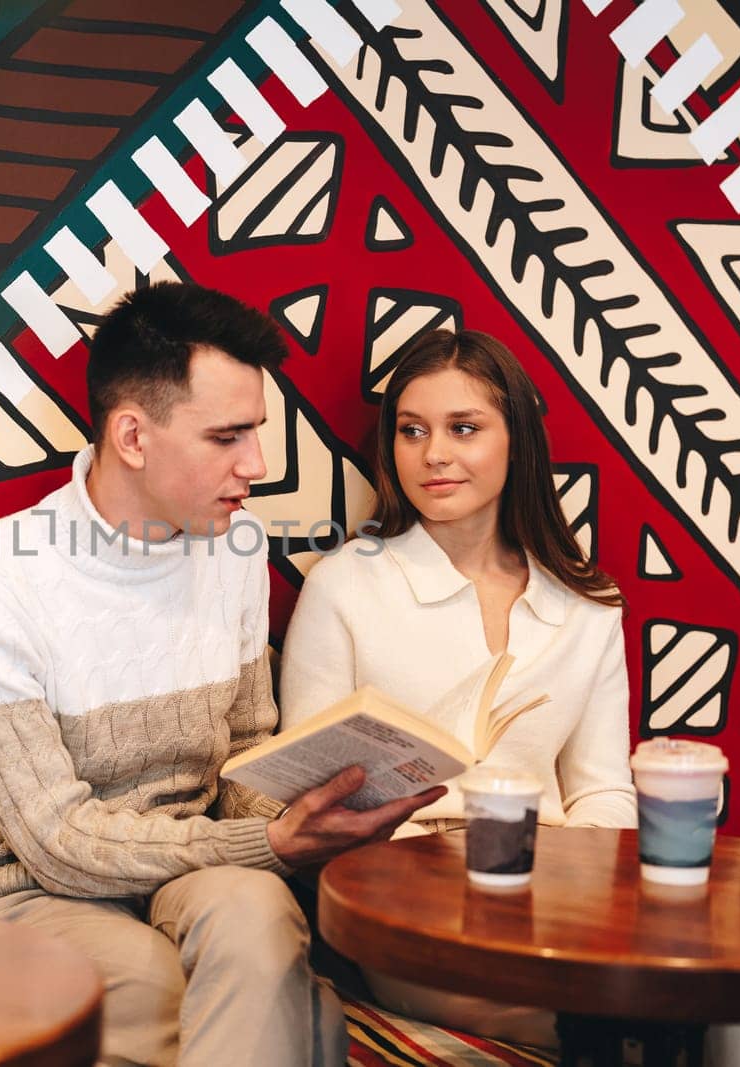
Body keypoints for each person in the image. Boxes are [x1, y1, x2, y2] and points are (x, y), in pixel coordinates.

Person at [0, 281, 446, 1067]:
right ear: (133, 434)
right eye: (227, 436)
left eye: (256, 432)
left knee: (259, 917)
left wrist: (320, 814)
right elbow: (56, 842)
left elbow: (244, 755)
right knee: (161, 981)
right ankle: (311, 1028)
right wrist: (267, 840)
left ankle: (305, 1023)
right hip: (21, 889)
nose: (257, 465)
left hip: (188, 864)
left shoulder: (233, 550)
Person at [279, 327, 637, 1046]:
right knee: (631, 1029)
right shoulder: (345, 586)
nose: (433, 453)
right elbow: (306, 792)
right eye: (411, 431)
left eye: (463, 428)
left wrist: (566, 884)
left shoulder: (588, 605)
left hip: (559, 900)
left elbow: (604, 790)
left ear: (517, 443)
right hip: (411, 915)